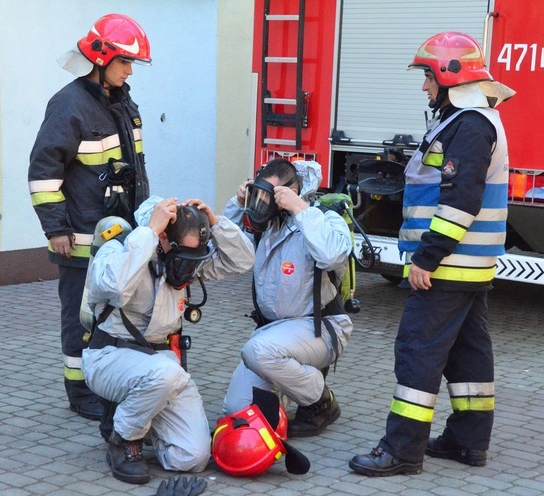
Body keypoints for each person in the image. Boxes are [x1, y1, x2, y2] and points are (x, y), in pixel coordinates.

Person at [348, 32, 515, 476]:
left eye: (427, 76)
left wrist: (427, 258)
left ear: (448, 75)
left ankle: (401, 451)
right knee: (468, 354)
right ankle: (467, 442)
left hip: (448, 265)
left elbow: (461, 200)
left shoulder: (470, 125)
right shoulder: (470, 120)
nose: (424, 87)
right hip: (469, 266)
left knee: (418, 351)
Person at [28, 13, 152, 420]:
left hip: (118, 235)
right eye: (124, 62)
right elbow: (44, 172)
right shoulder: (69, 105)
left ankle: (106, 382)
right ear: (101, 60)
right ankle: (80, 393)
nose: (129, 70)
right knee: (78, 317)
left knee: (109, 315)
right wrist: (57, 229)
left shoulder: (122, 102)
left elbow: (134, 168)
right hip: (80, 237)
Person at [81, 196, 254, 484]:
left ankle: (143, 420)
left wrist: (216, 224)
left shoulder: (184, 260)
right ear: (163, 238)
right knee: (165, 372)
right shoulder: (120, 248)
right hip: (109, 357)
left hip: (160, 369)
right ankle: (123, 439)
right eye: (184, 258)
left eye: (194, 258)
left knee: (192, 457)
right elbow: (114, 286)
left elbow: (244, 261)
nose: (189, 269)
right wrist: (148, 233)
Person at [221, 158, 354, 438]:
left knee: (258, 351)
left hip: (320, 329)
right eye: (258, 193)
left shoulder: (323, 218)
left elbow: (332, 254)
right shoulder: (267, 227)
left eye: (268, 196)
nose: (262, 204)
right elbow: (222, 245)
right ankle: (288, 385)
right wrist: (238, 203)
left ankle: (320, 402)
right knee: (236, 409)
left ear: (290, 193)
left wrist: (301, 209)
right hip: (273, 334)